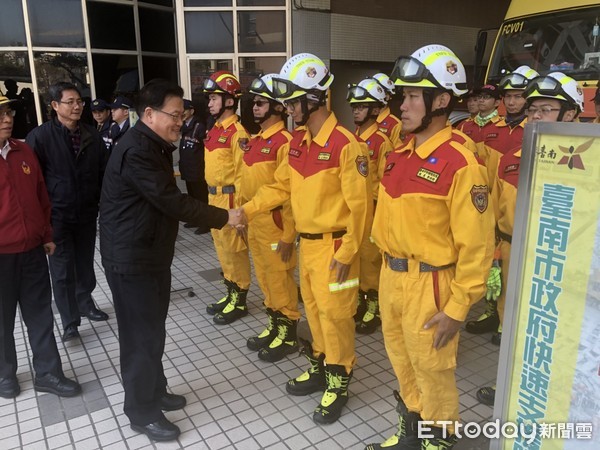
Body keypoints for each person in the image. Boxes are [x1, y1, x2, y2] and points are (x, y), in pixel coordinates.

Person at [364, 44, 495, 450]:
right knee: (402, 360)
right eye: (403, 96)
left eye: (412, 97)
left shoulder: (461, 163)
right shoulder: (398, 154)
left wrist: (457, 310)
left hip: (431, 285)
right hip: (392, 277)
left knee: (432, 367)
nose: (402, 106)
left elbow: (477, 246)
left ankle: (439, 438)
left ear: (441, 101)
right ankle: (412, 428)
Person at [99, 78, 242, 442]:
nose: (180, 121)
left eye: (182, 114)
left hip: (150, 255)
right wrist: (225, 217)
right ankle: (141, 410)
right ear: (149, 113)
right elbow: (173, 202)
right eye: (174, 115)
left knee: (153, 330)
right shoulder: (139, 151)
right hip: (133, 260)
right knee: (140, 337)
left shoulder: (154, 144)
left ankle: (155, 389)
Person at [239, 53, 371, 424]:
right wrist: (245, 211)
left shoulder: (347, 145)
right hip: (308, 245)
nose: (287, 107)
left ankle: (338, 380)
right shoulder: (298, 142)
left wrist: (348, 252)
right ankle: (321, 365)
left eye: (292, 100)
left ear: (314, 98)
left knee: (337, 317)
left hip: (335, 246)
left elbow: (361, 209)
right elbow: (282, 188)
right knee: (314, 313)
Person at [475, 72, 583, 408]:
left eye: (546, 109)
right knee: (512, 321)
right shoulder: (511, 160)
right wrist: (494, 256)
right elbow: (492, 213)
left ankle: (554, 391)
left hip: (557, 262)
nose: (535, 116)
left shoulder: (586, 166)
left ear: (570, 115)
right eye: (533, 108)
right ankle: (512, 381)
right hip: (510, 254)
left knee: (552, 331)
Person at [0, 95, 82, 399]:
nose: (7, 119)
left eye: (7, 112)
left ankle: (48, 372)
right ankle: (4, 373)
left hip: (32, 251)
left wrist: (47, 234)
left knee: (40, 315)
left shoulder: (23, 151)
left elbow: (41, 197)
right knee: (1, 319)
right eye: (0, 115)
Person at [26, 82, 109, 342]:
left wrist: (100, 204)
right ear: (54, 105)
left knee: (84, 264)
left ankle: (85, 302)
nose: (77, 107)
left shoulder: (91, 135)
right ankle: (69, 321)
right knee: (61, 270)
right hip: (57, 217)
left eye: (79, 102)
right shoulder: (40, 137)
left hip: (85, 213)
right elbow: (33, 183)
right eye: (70, 102)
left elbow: (102, 173)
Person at [465, 65, 538, 343]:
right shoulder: (492, 127)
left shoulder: (532, 129)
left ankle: (510, 323)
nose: (512, 101)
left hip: (522, 208)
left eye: (518, 96)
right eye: (508, 96)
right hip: (494, 201)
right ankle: (493, 312)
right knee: (495, 269)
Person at [241, 74, 300, 362]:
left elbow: (289, 193)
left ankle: (288, 332)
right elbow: (247, 184)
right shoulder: (255, 141)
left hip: (276, 225)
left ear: (278, 107)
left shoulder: (285, 141)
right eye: (254, 103)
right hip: (255, 222)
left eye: (262, 103)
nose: (255, 108)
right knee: (265, 278)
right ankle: (274, 323)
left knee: (280, 280)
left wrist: (290, 235)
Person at [202, 71, 252, 325]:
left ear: (230, 101)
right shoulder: (214, 130)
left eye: (214, 98)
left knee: (235, 251)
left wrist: (241, 212)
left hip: (230, 200)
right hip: (214, 200)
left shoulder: (238, 133)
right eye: (209, 98)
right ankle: (230, 291)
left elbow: (243, 176)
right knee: (222, 251)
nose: (209, 103)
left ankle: (240, 298)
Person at [346, 78, 394, 334]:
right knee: (358, 259)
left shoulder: (381, 141)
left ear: (375, 110)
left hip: (373, 209)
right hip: (355, 210)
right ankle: (363, 302)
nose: (356, 110)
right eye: (354, 106)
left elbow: (386, 182)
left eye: (362, 106)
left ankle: (374, 306)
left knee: (371, 260)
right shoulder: (352, 138)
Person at [178, 98, 210, 235]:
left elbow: (205, 149)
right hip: (187, 168)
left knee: (201, 197)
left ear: (192, 110)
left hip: (197, 169)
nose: (182, 113)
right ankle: (196, 219)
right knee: (192, 197)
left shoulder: (199, 126)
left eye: (184, 110)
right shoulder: (184, 126)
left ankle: (206, 223)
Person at [457, 83, 503, 165]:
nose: (481, 100)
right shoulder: (465, 125)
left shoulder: (503, 126)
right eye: (479, 97)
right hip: (471, 174)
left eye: (486, 97)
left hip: (492, 176)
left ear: (497, 103)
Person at [372, 73, 403, 147]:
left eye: (378, 92)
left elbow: (398, 153)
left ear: (388, 96)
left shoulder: (396, 125)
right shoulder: (365, 119)